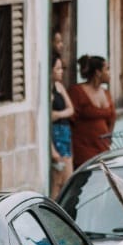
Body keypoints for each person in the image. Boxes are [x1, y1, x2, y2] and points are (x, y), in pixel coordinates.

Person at [68, 55, 116, 167]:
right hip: (83, 149)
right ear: (98, 72)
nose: (109, 73)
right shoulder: (77, 92)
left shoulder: (106, 93)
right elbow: (69, 121)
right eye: (107, 69)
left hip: (103, 148)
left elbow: (112, 118)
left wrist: (109, 137)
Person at [49, 55, 75, 198]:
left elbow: (71, 109)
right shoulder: (49, 92)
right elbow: (47, 120)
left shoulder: (59, 86)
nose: (61, 72)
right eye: (57, 68)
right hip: (56, 135)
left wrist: (58, 114)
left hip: (65, 133)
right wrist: (53, 150)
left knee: (67, 180)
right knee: (58, 181)